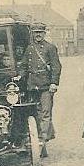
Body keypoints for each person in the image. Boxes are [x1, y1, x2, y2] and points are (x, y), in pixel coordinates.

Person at [16, 22, 62, 157]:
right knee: (34, 113)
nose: (38, 35)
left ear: (44, 33)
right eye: (35, 33)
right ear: (32, 34)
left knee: (45, 113)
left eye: (40, 33)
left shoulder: (50, 48)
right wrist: (20, 75)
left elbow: (56, 66)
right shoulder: (29, 49)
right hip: (32, 85)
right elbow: (24, 65)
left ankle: (41, 142)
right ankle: (38, 141)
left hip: (46, 86)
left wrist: (54, 82)